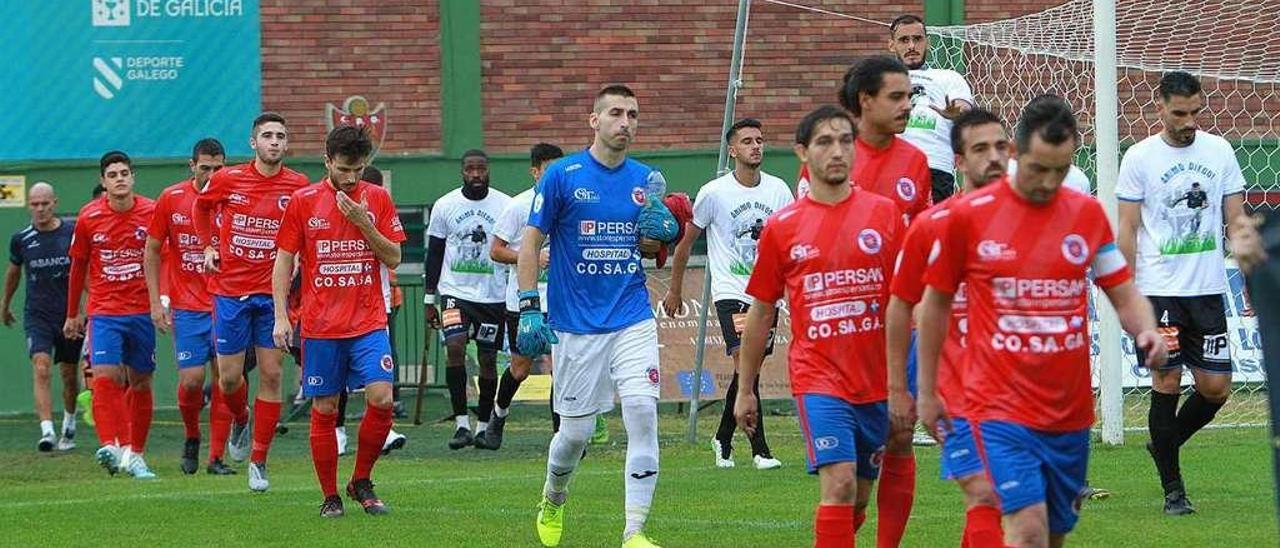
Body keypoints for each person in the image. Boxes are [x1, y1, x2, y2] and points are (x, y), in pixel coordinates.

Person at [916, 95, 1168, 547]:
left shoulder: (1085, 213)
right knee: (1026, 529)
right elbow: (933, 305)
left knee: (1052, 535)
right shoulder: (969, 217)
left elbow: (1122, 289)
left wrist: (1144, 329)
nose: (1048, 183)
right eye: (1038, 170)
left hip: (1068, 413)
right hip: (997, 407)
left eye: (1060, 171)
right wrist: (929, 388)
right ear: (1015, 152)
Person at [734, 105, 903, 546]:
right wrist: (746, 387)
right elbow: (761, 311)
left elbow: (907, 302)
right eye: (825, 142)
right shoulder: (783, 226)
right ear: (802, 153)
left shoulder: (884, 215)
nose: (838, 151)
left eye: (846, 141)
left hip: (877, 380)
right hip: (819, 377)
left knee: (859, 497)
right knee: (840, 484)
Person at [519, 84, 678, 548]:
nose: (625, 122)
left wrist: (660, 238)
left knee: (643, 412)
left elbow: (650, 244)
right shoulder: (563, 176)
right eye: (615, 113)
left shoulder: (646, 180)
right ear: (594, 120)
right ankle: (554, 494)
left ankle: (634, 531)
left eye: (632, 114)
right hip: (575, 325)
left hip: (632, 315)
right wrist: (530, 305)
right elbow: (530, 243)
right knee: (576, 435)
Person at [1116, 70, 1247, 516]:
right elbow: (1128, 228)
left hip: (1208, 289)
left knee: (1216, 388)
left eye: (1195, 112)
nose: (1189, 121)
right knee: (1166, 381)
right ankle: (1174, 491)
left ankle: (1164, 445)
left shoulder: (1221, 151)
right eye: (1179, 113)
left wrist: (1248, 264)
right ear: (1160, 108)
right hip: (1158, 293)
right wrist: (1125, 293)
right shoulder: (1139, 157)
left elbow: (1236, 218)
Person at [886, 109, 1009, 546]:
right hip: (953, 384)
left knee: (1011, 501)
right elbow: (901, 308)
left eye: (1000, 147)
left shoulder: (1035, 219)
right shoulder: (932, 226)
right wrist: (903, 387)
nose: (993, 157)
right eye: (980, 149)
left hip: (1019, 384)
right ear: (958, 160)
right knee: (985, 492)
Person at [273, 125, 405, 517]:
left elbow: (394, 257)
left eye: (359, 170)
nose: (351, 178)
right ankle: (330, 495)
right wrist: (281, 316)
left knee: (382, 398)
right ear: (327, 161)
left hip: (367, 321)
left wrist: (365, 223)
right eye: (344, 169)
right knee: (326, 409)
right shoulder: (303, 201)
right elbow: (283, 262)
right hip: (321, 326)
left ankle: (360, 479)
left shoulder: (377, 199)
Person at [662, 117, 792, 470]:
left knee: (751, 369)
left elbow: (789, 241)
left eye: (760, 140)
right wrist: (674, 289)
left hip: (767, 294)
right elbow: (686, 244)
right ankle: (761, 450)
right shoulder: (714, 192)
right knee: (742, 362)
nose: (755, 146)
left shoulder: (779, 190)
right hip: (731, 290)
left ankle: (722, 437)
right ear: (732, 150)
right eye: (747, 141)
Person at [193, 112, 311, 492]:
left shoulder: (298, 186)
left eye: (280, 135)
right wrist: (209, 244)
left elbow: (305, 233)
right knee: (229, 379)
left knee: (273, 374)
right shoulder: (228, 179)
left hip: (271, 294)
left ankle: (259, 460)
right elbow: (201, 207)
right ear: (253, 143)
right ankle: (241, 419)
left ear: (286, 144)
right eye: (267, 136)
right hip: (229, 291)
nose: (274, 142)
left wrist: (299, 264)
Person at [144, 138, 237, 475]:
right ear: (192, 166)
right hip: (187, 306)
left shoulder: (235, 197)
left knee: (225, 379)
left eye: (218, 168)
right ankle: (192, 436)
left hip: (226, 301)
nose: (212, 174)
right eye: (205, 168)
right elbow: (153, 249)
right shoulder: (171, 198)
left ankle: (215, 457)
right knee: (193, 380)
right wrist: (157, 301)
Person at [64, 151, 158, 479]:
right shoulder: (89, 217)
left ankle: (136, 454)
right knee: (105, 375)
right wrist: (73, 312)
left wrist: (163, 300)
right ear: (103, 182)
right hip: (104, 310)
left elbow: (166, 256)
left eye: (124, 173)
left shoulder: (151, 212)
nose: (119, 178)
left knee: (141, 380)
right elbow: (77, 267)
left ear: (132, 178)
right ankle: (112, 444)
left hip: (142, 310)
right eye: (112, 174)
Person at [423, 149, 512, 449]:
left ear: (488, 170)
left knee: (488, 359)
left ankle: (484, 425)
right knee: (455, 347)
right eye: (470, 169)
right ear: (462, 172)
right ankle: (461, 424)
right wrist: (428, 298)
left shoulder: (505, 205)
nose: (476, 174)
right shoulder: (445, 205)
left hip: (493, 297)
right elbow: (434, 253)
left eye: (481, 169)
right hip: (454, 294)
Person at [484, 142, 564, 450]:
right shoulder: (519, 206)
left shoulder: (569, 203)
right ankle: (499, 413)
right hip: (524, 300)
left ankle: (562, 436)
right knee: (520, 367)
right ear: (535, 172)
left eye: (559, 169)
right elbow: (496, 250)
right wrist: (528, 257)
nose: (554, 176)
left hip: (560, 300)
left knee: (562, 366)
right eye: (548, 170)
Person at [4, 182, 82, 452]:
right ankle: (47, 431)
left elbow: (84, 273)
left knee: (70, 377)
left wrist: (84, 310)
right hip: (37, 315)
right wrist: (4, 305)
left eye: (45, 204)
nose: (40, 209)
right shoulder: (21, 239)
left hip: (69, 316)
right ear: (29, 205)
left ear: (55, 203)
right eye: (35, 204)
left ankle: (69, 424)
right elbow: (13, 274)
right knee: (41, 367)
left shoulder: (72, 233)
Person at [887, 14, 975, 202]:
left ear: (928, 42)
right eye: (904, 40)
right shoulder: (883, 79)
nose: (911, 46)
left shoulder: (948, 77)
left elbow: (965, 111)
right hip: (891, 166)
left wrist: (956, 114)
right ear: (892, 45)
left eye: (917, 39)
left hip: (935, 167)